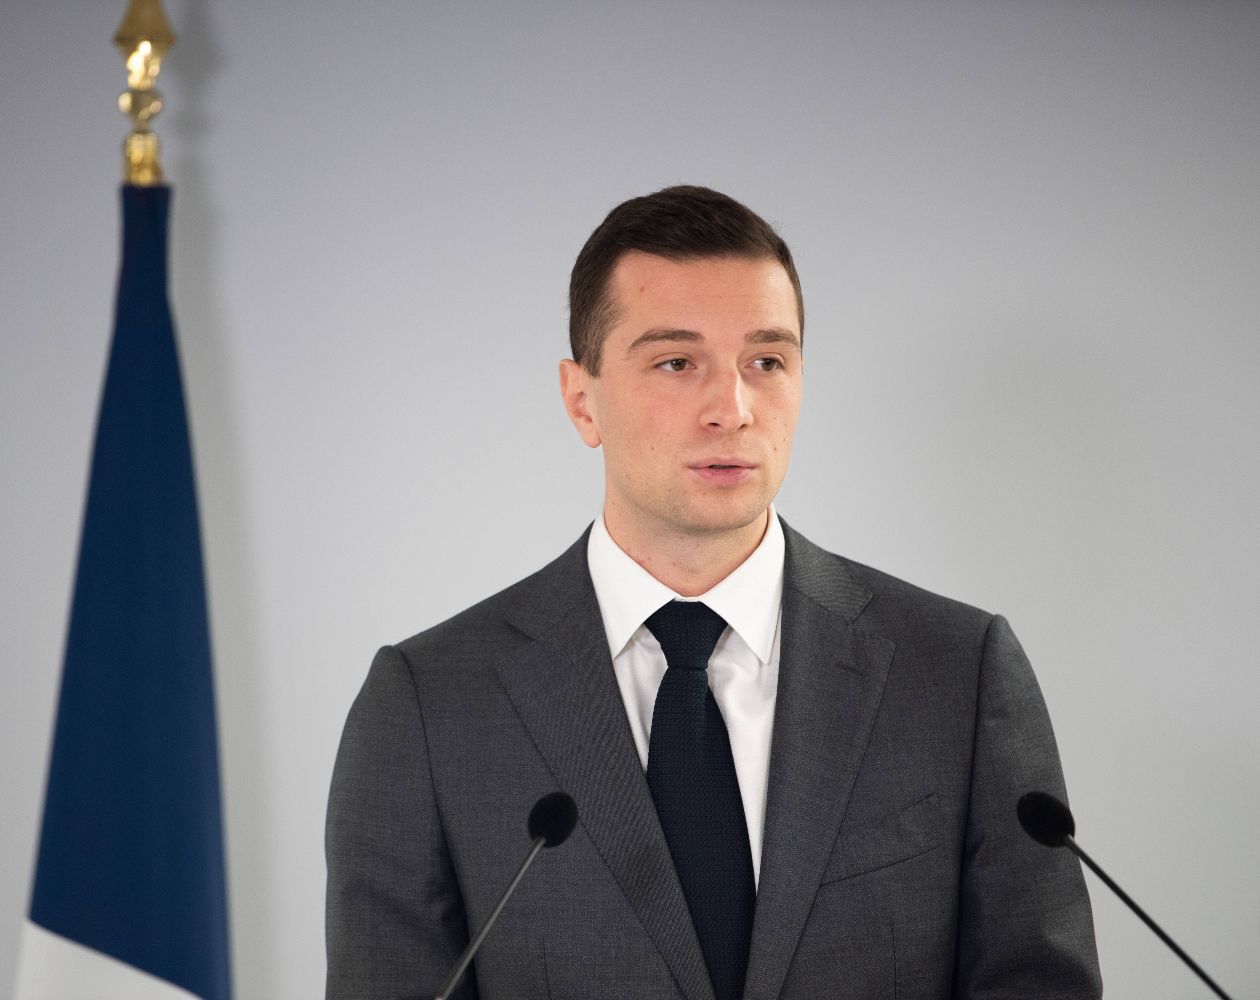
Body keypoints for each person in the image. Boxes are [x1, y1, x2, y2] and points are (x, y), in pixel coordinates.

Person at [325, 185, 1100, 1000]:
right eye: (676, 362)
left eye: (766, 362)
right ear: (581, 400)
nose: (732, 409)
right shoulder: (430, 703)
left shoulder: (957, 672)